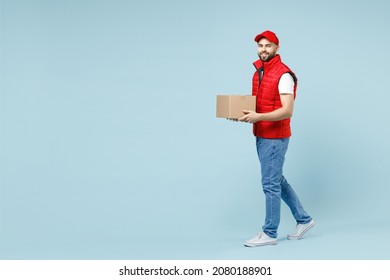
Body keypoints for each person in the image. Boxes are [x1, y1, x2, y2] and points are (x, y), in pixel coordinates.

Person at [237, 30, 315, 247]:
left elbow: (287, 111)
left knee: (270, 184)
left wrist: (258, 117)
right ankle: (304, 220)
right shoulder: (259, 72)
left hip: (274, 137)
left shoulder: (283, 75)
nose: (263, 49)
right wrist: (243, 114)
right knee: (277, 180)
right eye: (260, 46)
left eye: (268, 46)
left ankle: (269, 233)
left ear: (277, 48)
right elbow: (262, 104)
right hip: (261, 133)